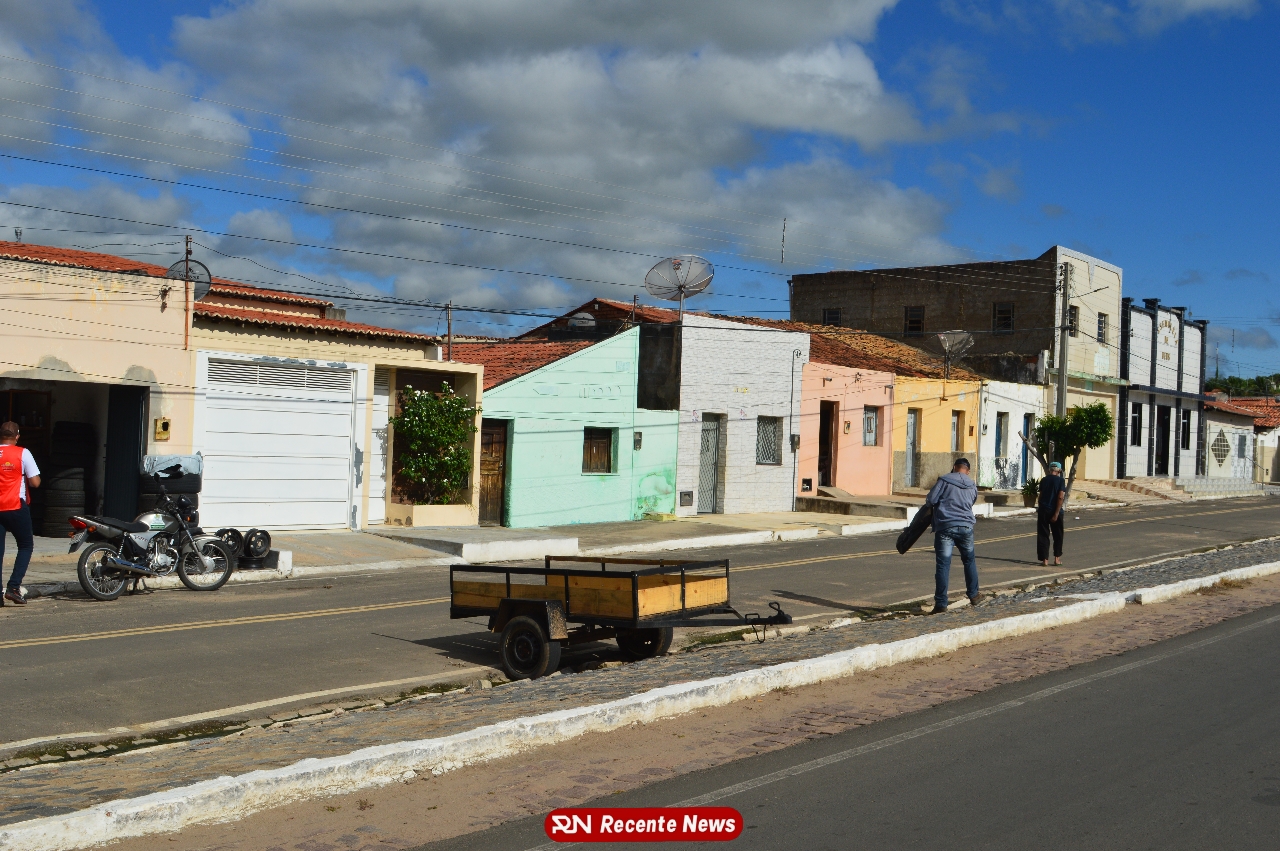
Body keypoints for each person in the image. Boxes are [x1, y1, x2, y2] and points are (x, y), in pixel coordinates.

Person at [925, 458, 980, 613]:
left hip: (946, 527)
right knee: (969, 560)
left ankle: (941, 603)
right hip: (966, 527)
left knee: (943, 564)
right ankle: (974, 595)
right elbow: (972, 502)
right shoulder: (972, 484)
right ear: (967, 471)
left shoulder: (945, 480)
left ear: (954, 467)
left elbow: (931, 500)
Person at [0, 421, 41, 606]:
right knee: (25, 545)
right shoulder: (22, 453)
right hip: (15, 506)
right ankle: (13, 587)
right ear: (17, 437)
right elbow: (35, 482)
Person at [1037, 461, 1067, 566]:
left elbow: (1040, 496)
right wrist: (1056, 513)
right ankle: (1057, 559)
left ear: (1050, 470)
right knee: (1058, 535)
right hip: (1055, 510)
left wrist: (1040, 507)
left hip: (1044, 510)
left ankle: (1044, 559)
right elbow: (1060, 497)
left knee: (1043, 535)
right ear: (1059, 471)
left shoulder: (1044, 480)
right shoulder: (1060, 481)